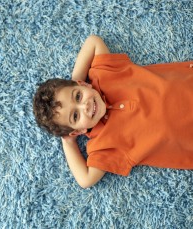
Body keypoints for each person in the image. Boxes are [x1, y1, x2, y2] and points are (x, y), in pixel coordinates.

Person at [33, 35, 193, 189]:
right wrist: (68, 141)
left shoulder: (104, 73)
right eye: (75, 116)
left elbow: (93, 42)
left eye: (78, 96)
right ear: (79, 131)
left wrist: (76, 81)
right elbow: (85, 180)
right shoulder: (103, 146)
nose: (85, 106)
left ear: (82, 84)